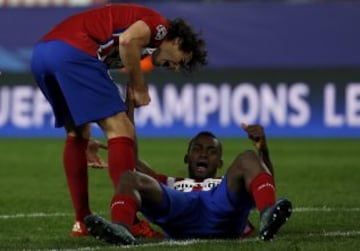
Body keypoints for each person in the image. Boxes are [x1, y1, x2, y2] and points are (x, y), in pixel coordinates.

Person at [30, 3, 207, 237]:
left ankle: (81, 222)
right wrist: (139, 86)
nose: (175, 68)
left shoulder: (137, 51)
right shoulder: (159, 27)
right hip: (73, 52)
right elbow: (127, 41)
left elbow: (115, 51)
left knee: (78, 134)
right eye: (181, 61)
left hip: (42, 55)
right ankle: (128, 221)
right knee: (120, 131)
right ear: (176, 42)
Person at [83, 88, 292, 245]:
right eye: (198, 149)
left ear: (219, 163)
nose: (203, 153)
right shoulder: (171, 183)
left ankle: (267, 216)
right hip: (180, 208)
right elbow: (130, 159)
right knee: (129, 177)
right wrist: (129, 108)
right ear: (187, 158)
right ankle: (121, 229)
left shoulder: (225, 184)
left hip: (222, 209)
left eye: (211, 151)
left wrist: (262, 149)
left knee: (248, 157)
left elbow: (262, 176)